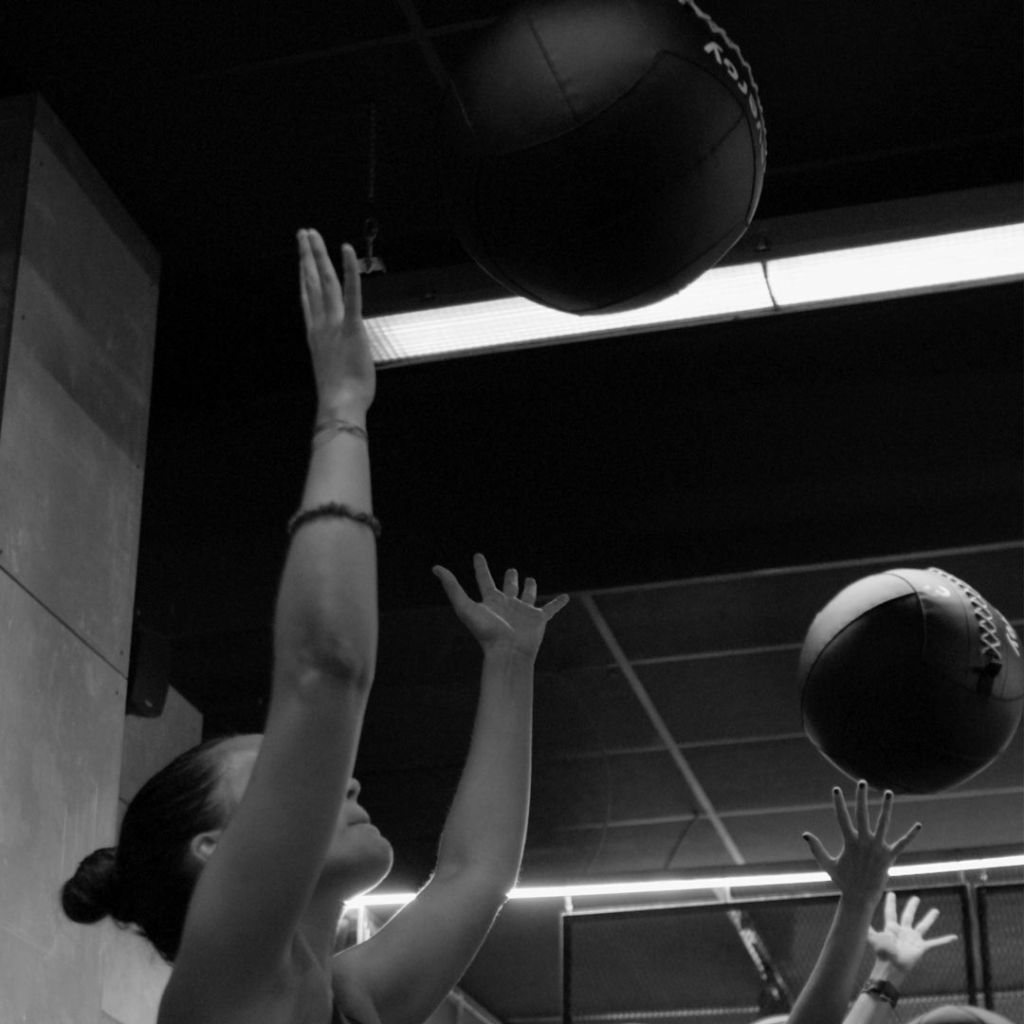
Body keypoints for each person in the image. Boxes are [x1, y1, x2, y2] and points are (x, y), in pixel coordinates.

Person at [60, 228, 570, 1024]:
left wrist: (509, 662)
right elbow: (324, 675)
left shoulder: (347, 995)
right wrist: (340, 411)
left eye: (292, 774)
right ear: (214, 857)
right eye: (291, 774)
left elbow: (477, 872)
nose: (343, 776)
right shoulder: (220, 989)